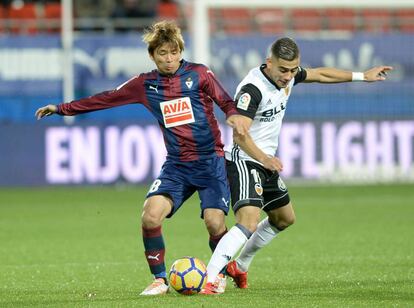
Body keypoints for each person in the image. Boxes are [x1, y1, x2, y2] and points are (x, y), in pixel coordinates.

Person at [35, 20, 249, 296]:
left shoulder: (199, 74)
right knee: (150, 216)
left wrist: (234, 116)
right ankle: (160, 279)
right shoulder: (145, 84)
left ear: (180, 51)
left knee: (214, 223)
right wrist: (61, 108)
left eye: (174, 53)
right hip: (177, 166)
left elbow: (226, 101)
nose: (169, 59)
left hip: (210, 161)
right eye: (163, 53)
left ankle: (219, 273)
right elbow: (106, 98)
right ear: (152, 55)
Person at [200, 37, 393, 294]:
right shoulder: (252, 90)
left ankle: (241, 265)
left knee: (284, 218)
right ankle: (211, 279)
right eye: (283, 70)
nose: (289, 76)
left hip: (265, 161)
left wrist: (363, 76)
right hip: (244, 160)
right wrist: (264, 158)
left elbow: (320, 74)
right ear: (269, 63)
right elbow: (239, 136)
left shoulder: (288, 76)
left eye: (293, 70)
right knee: (248, 221)